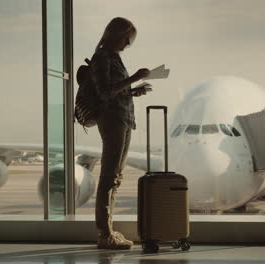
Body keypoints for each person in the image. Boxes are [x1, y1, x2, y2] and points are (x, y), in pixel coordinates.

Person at [91, 17, 149, 250]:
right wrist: (134, 78)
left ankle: (108, 231)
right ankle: (105, 233)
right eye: (126, 39)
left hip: (123, 119)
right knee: (109, 177)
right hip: (113, 120)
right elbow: (104, 93)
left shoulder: (113, 57)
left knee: (115, 177)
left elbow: (116, 91)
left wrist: (134, 91)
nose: (127, 44)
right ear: (115, 34)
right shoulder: (102, 57)